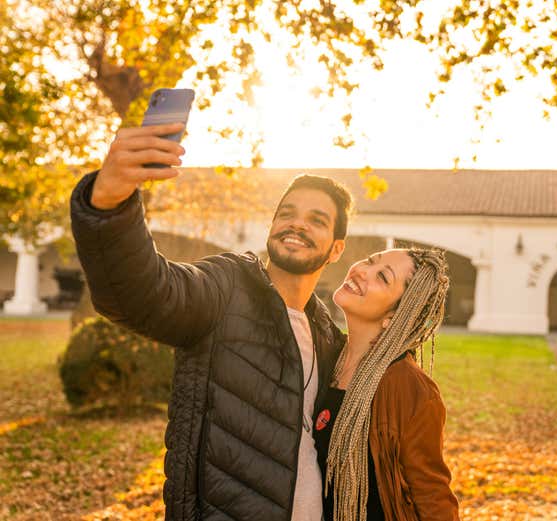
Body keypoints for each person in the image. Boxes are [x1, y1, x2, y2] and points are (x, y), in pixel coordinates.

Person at [69, 123, 352, 521]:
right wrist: (109, 205)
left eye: (317, 220)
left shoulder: (328, 337)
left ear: (336, 248)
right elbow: (142, 294)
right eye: (286, 213)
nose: (297, 224)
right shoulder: (224, 287)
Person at [312, 248, 460, 521]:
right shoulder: (324, 355)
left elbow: (432, 498)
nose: (362, 271)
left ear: (394, 315)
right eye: (369, 260)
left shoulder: (411, 390)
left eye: (382, 277)